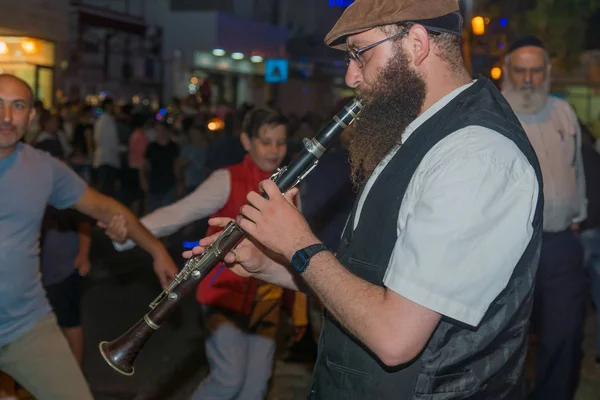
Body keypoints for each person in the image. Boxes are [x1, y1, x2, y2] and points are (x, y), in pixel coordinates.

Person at [186, 0, 543, 398]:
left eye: (360, 53)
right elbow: (365, 287)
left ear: (416, 43)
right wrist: (272, 263)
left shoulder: (476, 157)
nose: (351, 76)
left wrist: (298, 244)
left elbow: (395, 337)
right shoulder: (415, 135)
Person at [107, 109, 308, 400]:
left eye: (280, 142)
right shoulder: (226, 179)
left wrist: (298, 308)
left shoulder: (291, 186)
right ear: (246, 141)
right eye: (266, 141)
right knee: (228, 380)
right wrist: (127, 235)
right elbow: (177, 213)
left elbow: (297, 248)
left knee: (256, 388)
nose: (275, 150)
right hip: (223, 296)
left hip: (268, 302)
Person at [0, 73, 178, 400]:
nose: (6, 117)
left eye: (18, 106)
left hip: (25, 327)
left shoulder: (44, 169)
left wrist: (155, 249)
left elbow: (106, 207)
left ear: (31, 115)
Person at [501, 36, 588, 400]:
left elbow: (576, 166)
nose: (528, 79)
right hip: (510, 251)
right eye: (520, 70)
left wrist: (578, 212)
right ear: (507, 72)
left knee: (564, 335)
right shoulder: (496, 113)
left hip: (561, 244)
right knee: (507, 341)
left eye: (536, 71)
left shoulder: (563, 112)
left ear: (548, 73)